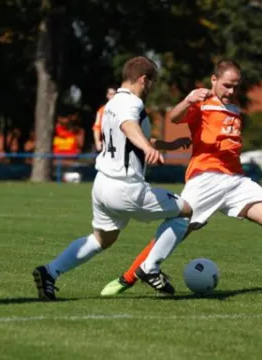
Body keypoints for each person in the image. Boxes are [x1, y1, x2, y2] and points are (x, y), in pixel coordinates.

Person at [101, 60, 262, 297]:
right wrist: (188, 99)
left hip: (236, 180)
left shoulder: (236, 108)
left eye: (236, 87)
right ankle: (127, 278)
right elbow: (175, 117)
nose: (231, 91)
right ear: (214, 80)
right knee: (178, 230)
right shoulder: (202, 103)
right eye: (227, 85)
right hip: (206, 178)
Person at [32, 56, 193, 300]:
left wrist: (167, 144)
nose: (152, 88)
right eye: (152, 83)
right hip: (125, 187)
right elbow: (129, 126)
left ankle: (50, 272)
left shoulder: (112, 103)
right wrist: (149, 150)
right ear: (143, 79)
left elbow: (134, 136)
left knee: (101, 239)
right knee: (186, 211)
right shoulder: (132, 104)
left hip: (102, 185)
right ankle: (150, 267)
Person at [93, 87, 117, 151]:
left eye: (114, 94)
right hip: (104, 144)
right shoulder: (101, 111)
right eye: (111, 94)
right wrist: (97, 141)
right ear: (107, 95)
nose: (112, 96)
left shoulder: (121, 109)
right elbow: (97, 127)